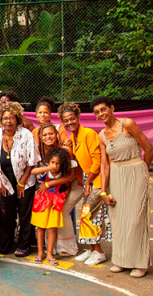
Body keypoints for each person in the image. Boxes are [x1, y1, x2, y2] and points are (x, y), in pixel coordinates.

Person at [92, 96, 153, 278]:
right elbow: (104, 165)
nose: (101, 114)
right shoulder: (101, 135)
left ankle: (139, 263)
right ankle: (122, 261)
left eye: (103, 109)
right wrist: (103, 191)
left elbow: (148, 148)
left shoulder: (127, 123)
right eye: (96, 112)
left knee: (136, 219)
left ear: (112, 108)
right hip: (116, 177)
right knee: (118, 220)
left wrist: (141, 168)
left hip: (135, 172)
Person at [59, 102, 111, 266]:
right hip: (88, 180)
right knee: (88, 215)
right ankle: (92, 249)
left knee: (88, 214)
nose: (69, 122)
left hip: (98, 180)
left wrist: (87, 182)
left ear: (78, 117)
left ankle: (100, 252)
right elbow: (76, 162)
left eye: (72, 119)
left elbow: (98, 160)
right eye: (66, 120)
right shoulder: (72, 137)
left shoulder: (88, 133)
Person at [0, 102, 41, 257]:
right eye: (5, 118)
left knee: (24, 214)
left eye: (11, 118)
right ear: (0, 120)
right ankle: (6, 244)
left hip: (25, 180)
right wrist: (3, 181)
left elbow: (32, 161)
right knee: (6, 214)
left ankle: (25, 245)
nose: (8, 121)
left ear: (17, 119)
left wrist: (22, 182)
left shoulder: (26, 135)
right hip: (6, 182)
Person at [36, 123, 82, 257]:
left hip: (74, 184)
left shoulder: (65, 148)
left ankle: (68, 247)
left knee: (61, 211)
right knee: (52, 213)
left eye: (51, 133)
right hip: (56, 189)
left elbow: (71, 175)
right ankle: (52, 247)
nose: (48, 137)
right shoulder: (41, 150)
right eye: (44, 135)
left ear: (56, 134)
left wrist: (49, 185)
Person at [31, 147, 72, 266]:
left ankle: (49, 253)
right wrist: (48, 167)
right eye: (53, 162)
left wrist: (63, 196)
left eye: (58, 163)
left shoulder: (62, 174)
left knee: (52, 228)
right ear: (48, 162)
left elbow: (68, 186)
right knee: (40, 227)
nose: (55, 165)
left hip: (55, 203)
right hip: (42, 201)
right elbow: (33, 172)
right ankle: (40, 253)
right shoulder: (45, 171)